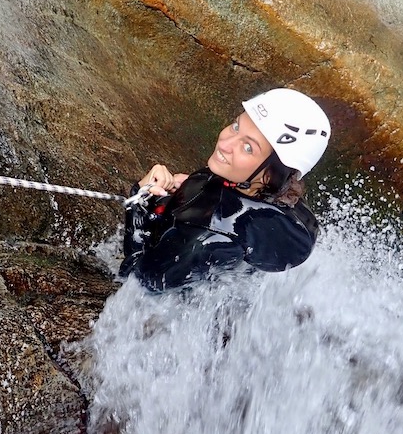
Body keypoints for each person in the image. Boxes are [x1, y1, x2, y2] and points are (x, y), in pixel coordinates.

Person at [120, 88, 331, 291]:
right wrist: (197, 186)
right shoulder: (276, 194)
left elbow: (138, 282)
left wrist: (139, 198)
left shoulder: (210, 238)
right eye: (236, 126)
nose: (226, 143)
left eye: (248, 147)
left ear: (269, 176)